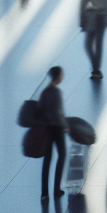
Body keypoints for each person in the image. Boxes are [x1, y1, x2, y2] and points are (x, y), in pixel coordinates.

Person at [39, 66, 68, 200]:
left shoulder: (44, 92)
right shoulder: (57, 92)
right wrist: (65, 126)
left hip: (46, 129)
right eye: (61, 75)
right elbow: (59, 112)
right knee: (62, 155)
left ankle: (44, 193)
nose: (62, 77)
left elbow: (40, 109)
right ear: (57, 77)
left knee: (47, 160)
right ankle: (57, 189)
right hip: (57, 128)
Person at [80, 0, 107, 80]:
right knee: (98, 44)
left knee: (88, 44)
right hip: (101, 16)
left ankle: (95, 69)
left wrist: (82, 19)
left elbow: (84, 2)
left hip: (92, 16)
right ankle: (96, 69)